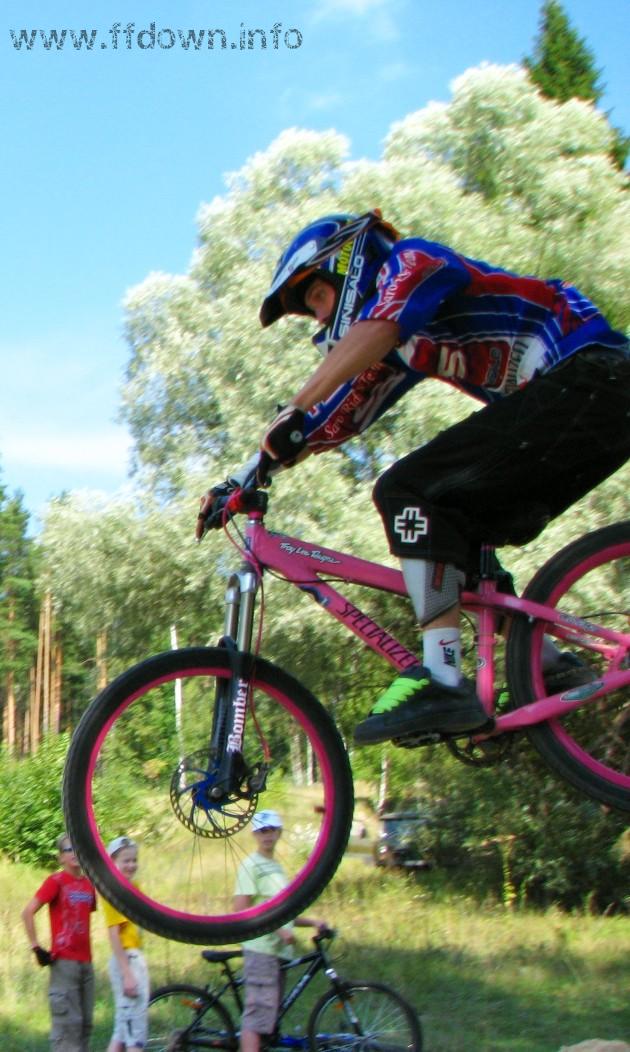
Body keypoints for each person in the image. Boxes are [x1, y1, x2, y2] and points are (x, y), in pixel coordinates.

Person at [198, 210, 630, 746]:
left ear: (348, 263)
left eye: (317, 298)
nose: (319, 320)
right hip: (586, 407)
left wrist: (295, 404)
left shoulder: (414, 261)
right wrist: (244, 476)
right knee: (449, 539)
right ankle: (547, 665)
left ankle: (442, 678)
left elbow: (376, 330)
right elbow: (336, 417)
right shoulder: (400, 344)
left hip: (594, 374)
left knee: (406, 491)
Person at [233, 810, 327, 1052]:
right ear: (254, 834)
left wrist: (313, 923)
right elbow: (241, 911)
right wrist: (278, 931)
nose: (267, 835)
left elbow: (282, 914)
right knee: (257, 1017)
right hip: (261, 949)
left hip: (277, 952)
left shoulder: (276, 867)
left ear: (279, 833)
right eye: (262, 831)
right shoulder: (251, 865)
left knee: (269, 1018)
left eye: (272, 830)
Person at [22, 833, 96, 1052]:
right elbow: (27, 912)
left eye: (77, 848)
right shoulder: (56, 882)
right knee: (68, 1026)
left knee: (85, 1025)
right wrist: (36, 947)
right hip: (64, 963)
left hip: (86, 963)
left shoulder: (89, 885)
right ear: (60, 857)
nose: (74, 853)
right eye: (68, 849)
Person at [101, 836, 150, 1052]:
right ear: (112, 862)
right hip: (127, 959)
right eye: (125, 861)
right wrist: (127, 973)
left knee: (122, 1029)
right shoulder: (115, 891)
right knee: (135, 1031)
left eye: (134, 860)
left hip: (133, 955)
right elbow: (114, 935)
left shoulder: (133, 887)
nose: (131, 865)